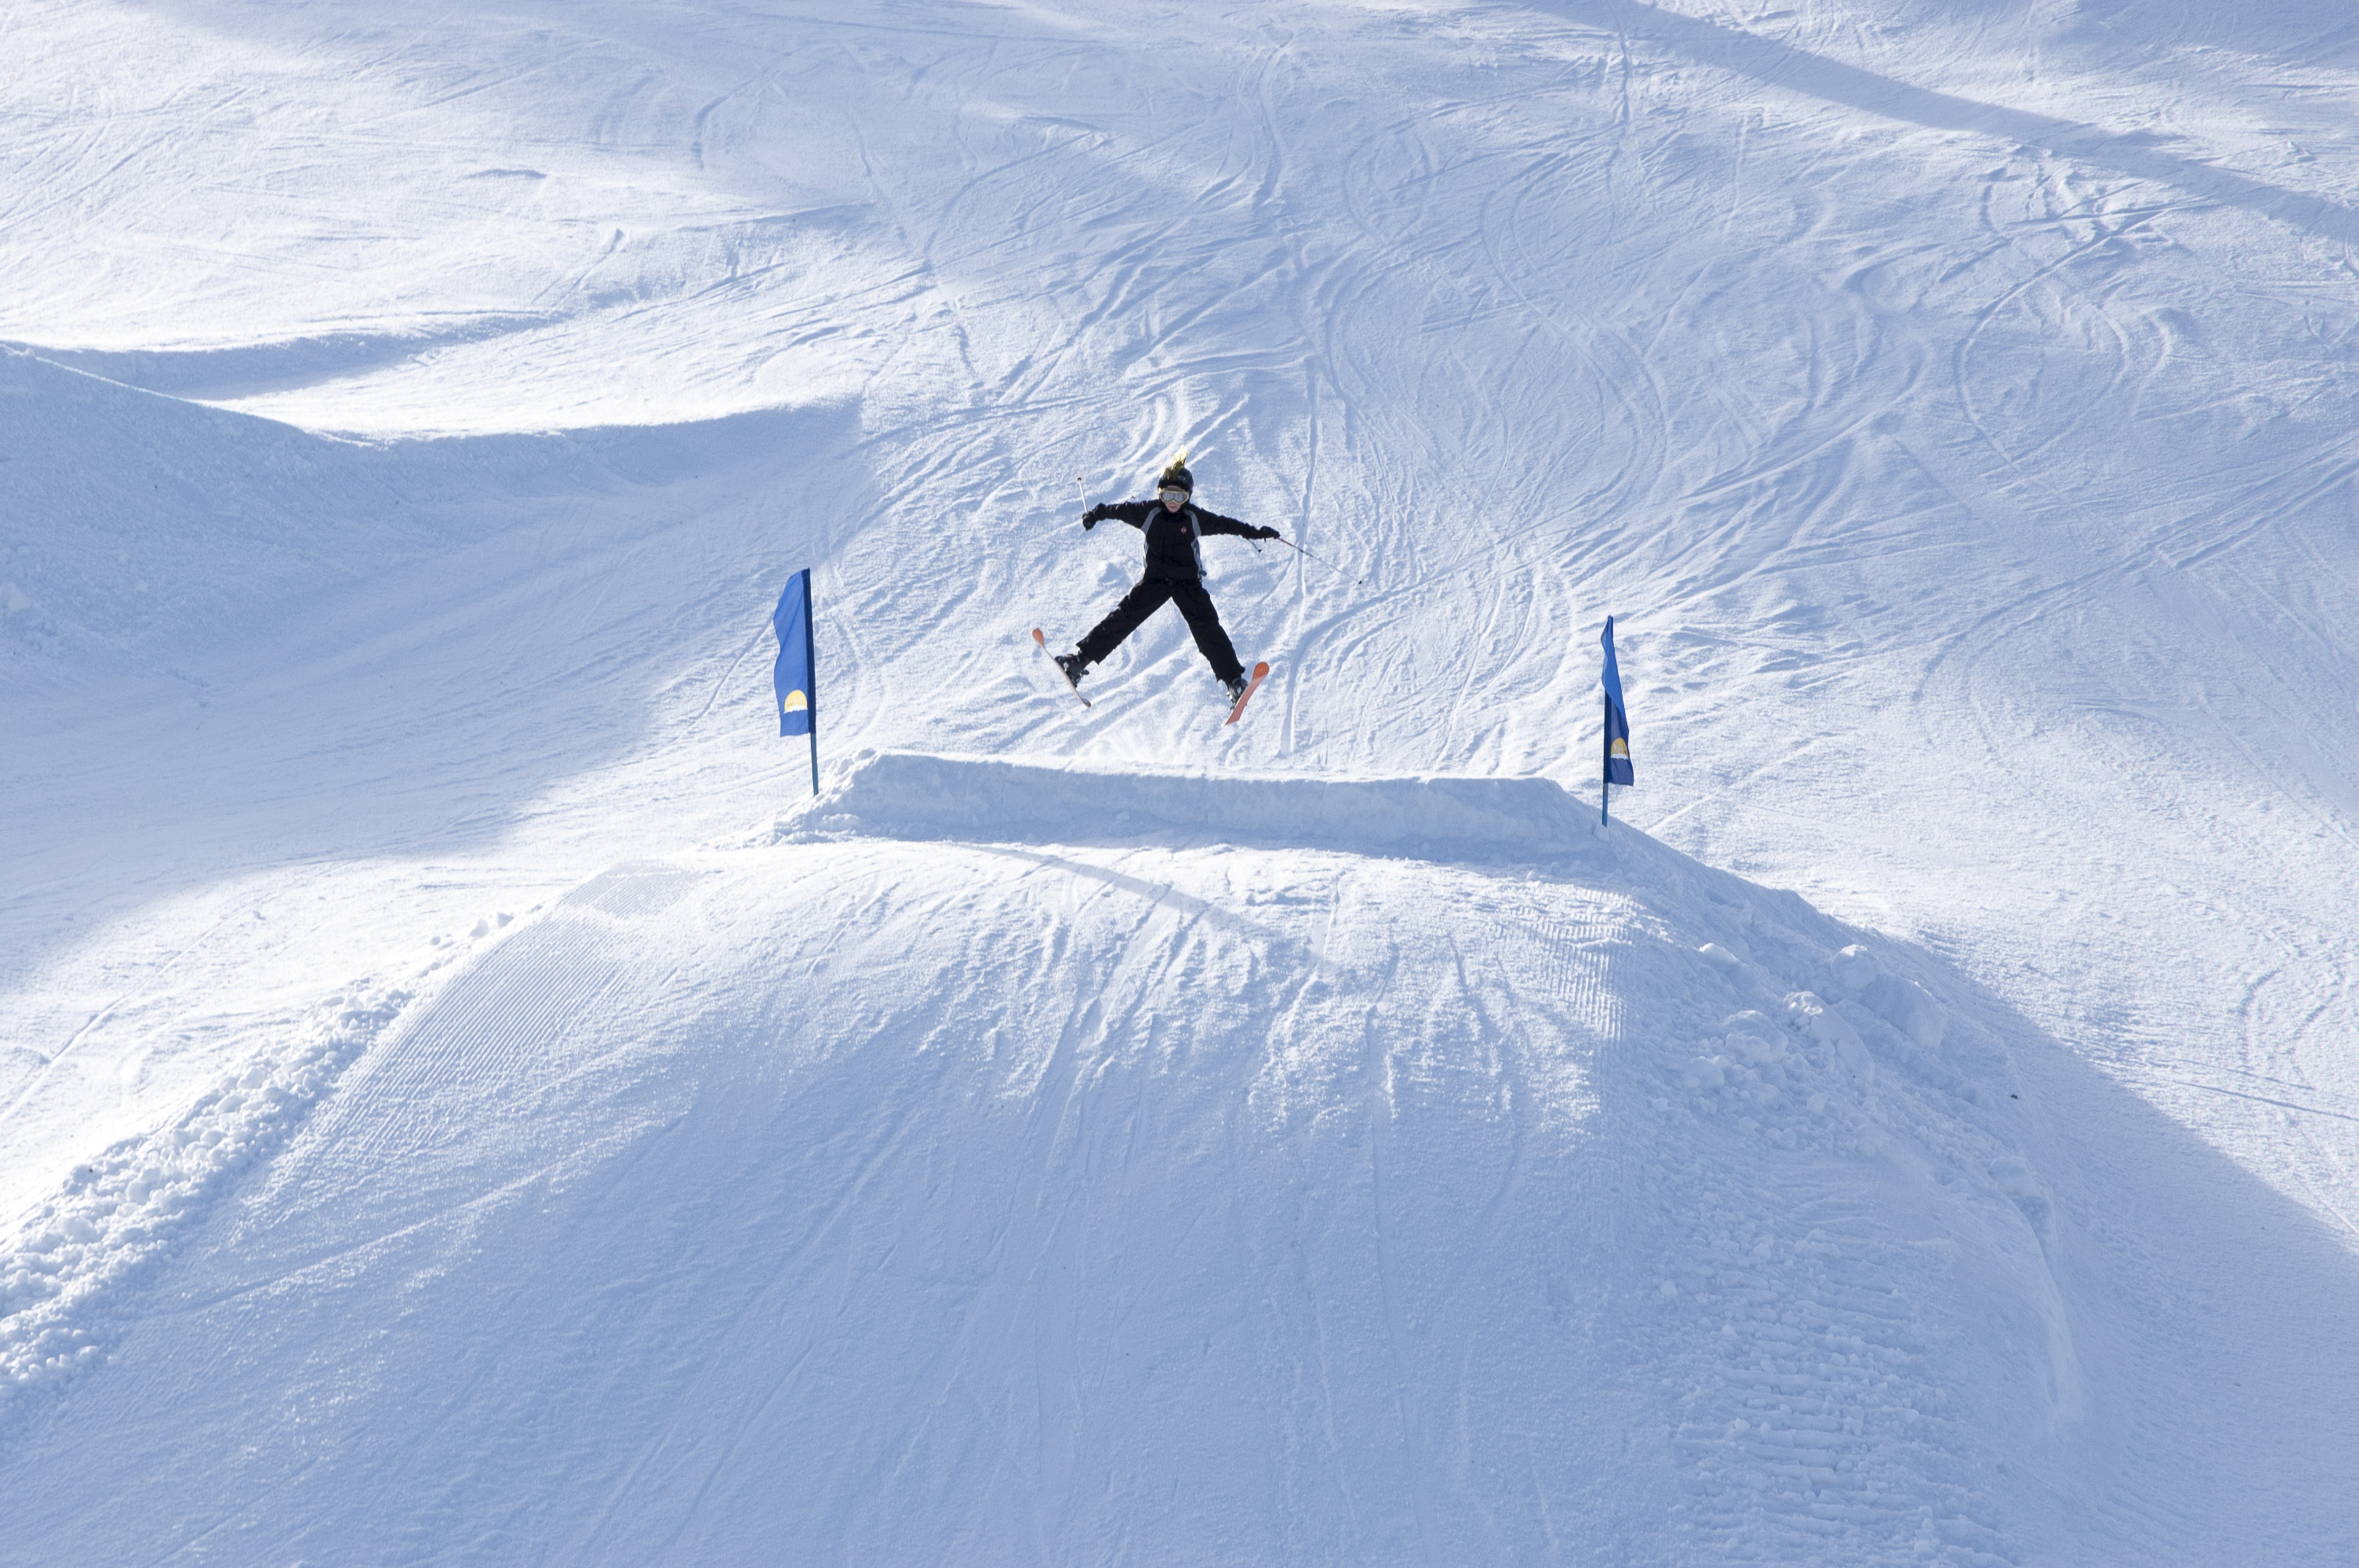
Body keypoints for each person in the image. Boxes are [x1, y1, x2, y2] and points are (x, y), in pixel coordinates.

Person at [1055, 461, 1281, 705]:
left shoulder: (1195, 518)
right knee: (1123, 617)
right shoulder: (1148, 512)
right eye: (1167, 495)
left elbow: (1227, 524)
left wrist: (1257, 532)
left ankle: (1234, 682)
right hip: (1156, 581)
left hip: (1188, 583)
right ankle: (1078, 662)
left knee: (1207, 627)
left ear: (1188, 496)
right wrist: (1095, 515)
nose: (1173, 501)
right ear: (1159, 494)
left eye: (1179, 496)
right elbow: (1117, 510)